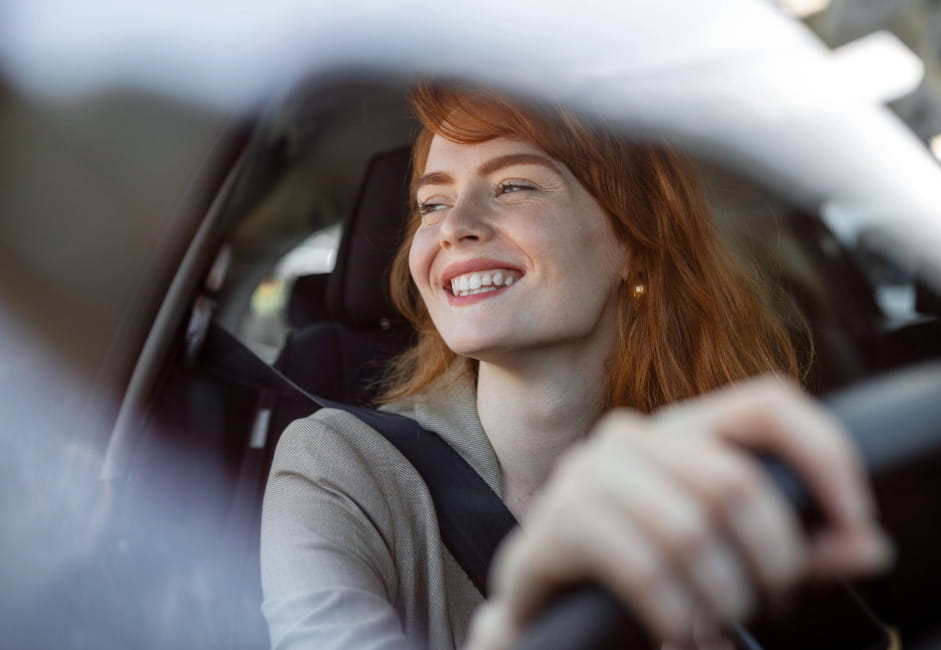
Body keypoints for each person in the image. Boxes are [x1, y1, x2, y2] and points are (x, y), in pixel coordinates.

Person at [260, 83, 891, 650]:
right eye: (432, 204)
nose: (454, 227)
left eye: (514, 185)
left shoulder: (736, 480)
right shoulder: (335, 465)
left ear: (633, 245)